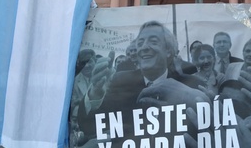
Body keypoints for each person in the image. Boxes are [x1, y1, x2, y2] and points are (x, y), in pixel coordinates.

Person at [76, 21, 208, 146]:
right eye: (140, 43)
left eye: (153, 42)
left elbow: (205, 131)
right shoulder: (120, 82)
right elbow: (89, 126)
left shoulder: (192, 85)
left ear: (168, 51)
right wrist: (96, 92)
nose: (144, 47)